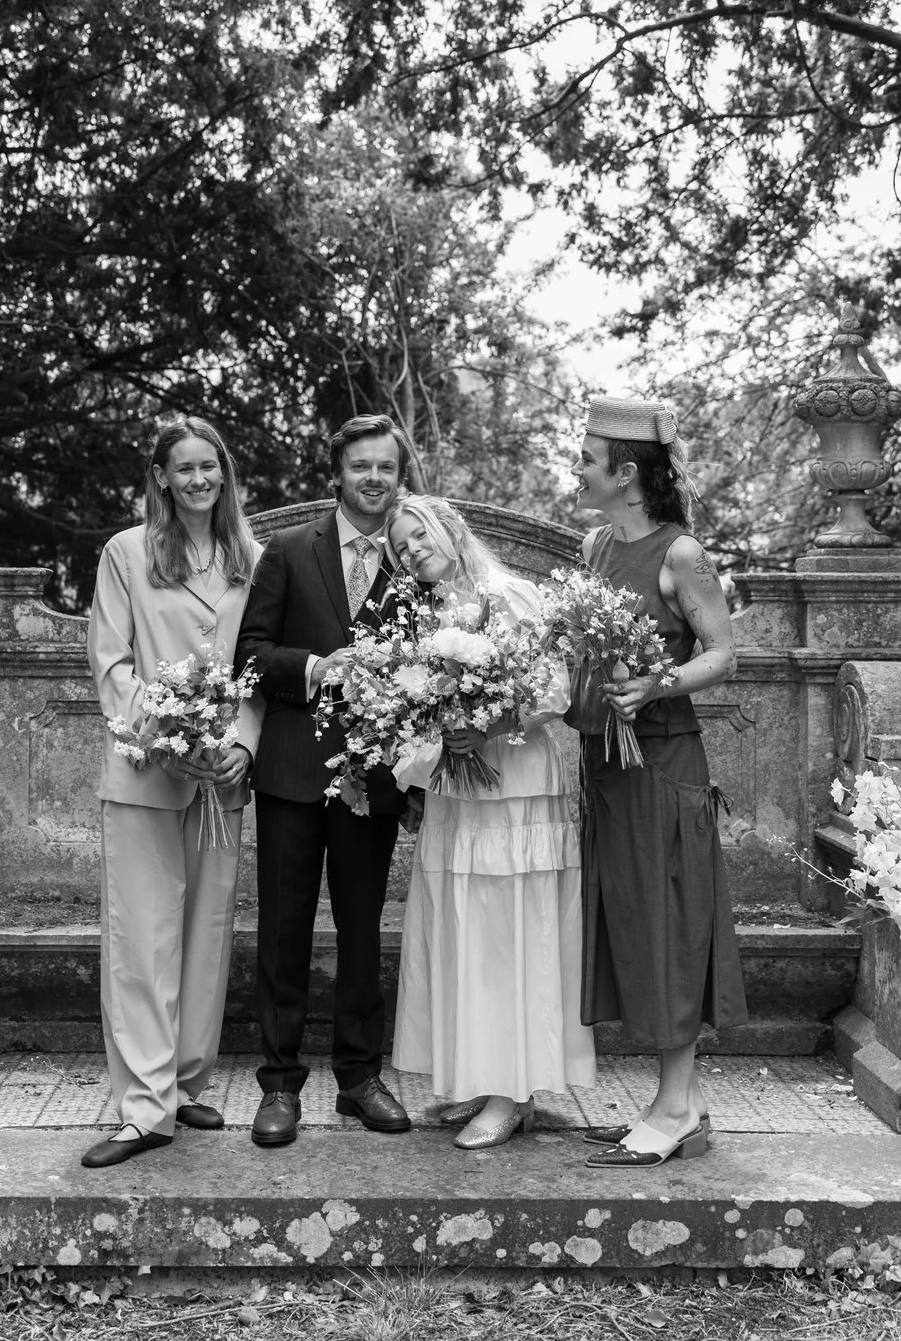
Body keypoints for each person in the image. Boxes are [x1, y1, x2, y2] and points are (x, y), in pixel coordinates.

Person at [384, 495, 596, 1149]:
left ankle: (513, 1094)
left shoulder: (511, 595)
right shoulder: (427, 617)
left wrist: (488, 723)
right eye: (400, 546)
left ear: (450, 529)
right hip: (458, 791)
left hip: (517, 790)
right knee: (463, 934)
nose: (412, 549)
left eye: (419, 534)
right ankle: (479, 1076)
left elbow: (553, 689)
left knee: (511, 938)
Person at [232, 413, 420, 1147]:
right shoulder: (287, 550)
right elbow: (251, 653)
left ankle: (359, 1079)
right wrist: (314, 670)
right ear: (337, 473)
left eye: (386, 468)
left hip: (375, 777)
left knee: (364, 931)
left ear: (401, 478)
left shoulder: (413, 560)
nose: (373, 478)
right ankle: (279, 1085)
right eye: (361, 466)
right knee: (282, 931)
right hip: (290, 772)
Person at [81, 416, 263, 1168]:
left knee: (205, 936)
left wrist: (241, 744)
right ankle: (144, 1107)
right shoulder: (126, 553)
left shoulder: (252, 556)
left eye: (209, 467)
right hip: (148, 771)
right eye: (183, 468)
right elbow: (112, 662)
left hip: (222, 775)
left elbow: (259, 664)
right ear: (160, 477)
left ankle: (185, 1082)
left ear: (224, 474)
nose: (198, 480)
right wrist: (166, 734)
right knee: (141, 939)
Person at [571, 395, 748, 1168]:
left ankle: (673, 1107)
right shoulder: (594, 547)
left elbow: (725, 654)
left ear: (627, 471)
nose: (576, 468)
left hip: (665, 768)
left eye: (585, 457)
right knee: (635, 931)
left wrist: (659, 683)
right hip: (606, 770)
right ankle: (684, 1104)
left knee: (670, 927)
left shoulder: (683, 555)